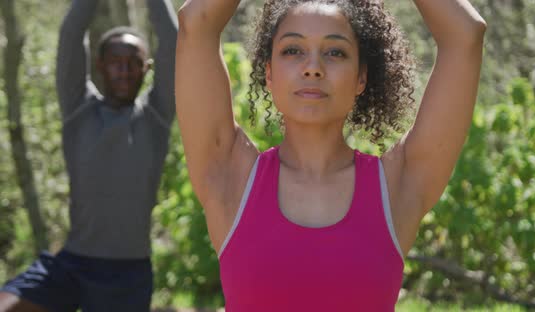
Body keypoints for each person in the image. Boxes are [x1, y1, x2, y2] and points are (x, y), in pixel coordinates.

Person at [176, 0, 485, 310]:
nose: (313, 68)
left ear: (361, 78)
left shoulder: (398, 186)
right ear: (268, 74)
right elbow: (196, 21)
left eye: (335, 52)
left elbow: (465, 34)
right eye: (293, 50)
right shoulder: (232, 179)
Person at [0, 0, 177, 311]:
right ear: (99, 65)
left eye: (133, 62)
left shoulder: (156, 118)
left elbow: (173, 41)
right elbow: (71, 33)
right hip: (71, 265)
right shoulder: (78, 110)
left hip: (128, 276)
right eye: (115, 61)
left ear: (147, 68)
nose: (123, 70)